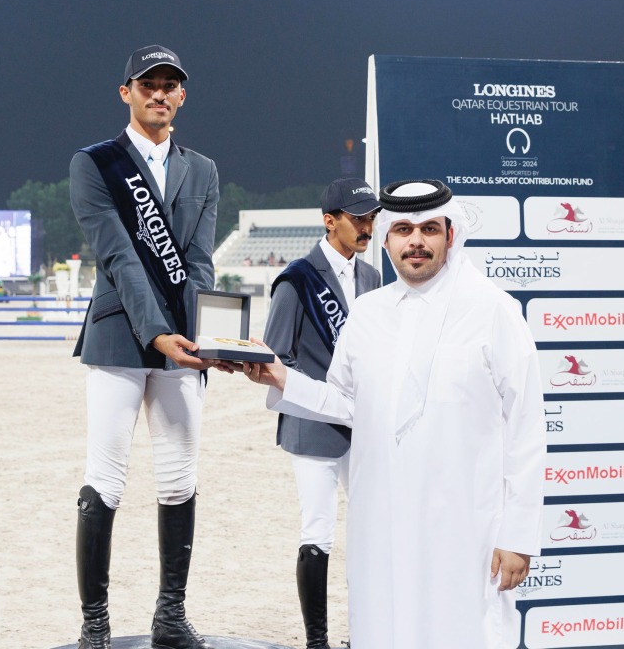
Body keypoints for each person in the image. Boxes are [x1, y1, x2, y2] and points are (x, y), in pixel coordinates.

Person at [223, 179, 545, 648]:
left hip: (465, 528)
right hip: (383, 524)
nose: (416, 241)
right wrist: (280, 377)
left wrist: (518, 535)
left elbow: (526, 430)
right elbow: (348, 405)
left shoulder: (494, 310)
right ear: (388, 238)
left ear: (450, 236)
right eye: (403, 230)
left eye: (429, 229)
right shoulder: (368, 314)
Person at [68, 45, 220, 649]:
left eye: (170, 85)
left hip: (184, 341)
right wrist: (157, 331)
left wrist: (206, 333)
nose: (159, 93)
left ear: (182, 96)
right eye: (147, 83)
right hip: (118, 337)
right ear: (125, 92)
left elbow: (200, 261)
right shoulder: (94, 164)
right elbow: (118, 255)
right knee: (106, 476)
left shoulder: (203, 169)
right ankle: (96, 625)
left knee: (180, 479)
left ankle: (170, 617)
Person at [263, 178, 381, 649]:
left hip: (362, 427)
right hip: (313, 427)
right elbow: (275, 358)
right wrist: (320, 397)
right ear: (330, 221)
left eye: (371, 217)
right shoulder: (296, 279)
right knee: (318, 532)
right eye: (358, 218)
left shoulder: (373, 278)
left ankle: (366, 632)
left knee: (370, 529)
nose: (367, 226)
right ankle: (317, 642)